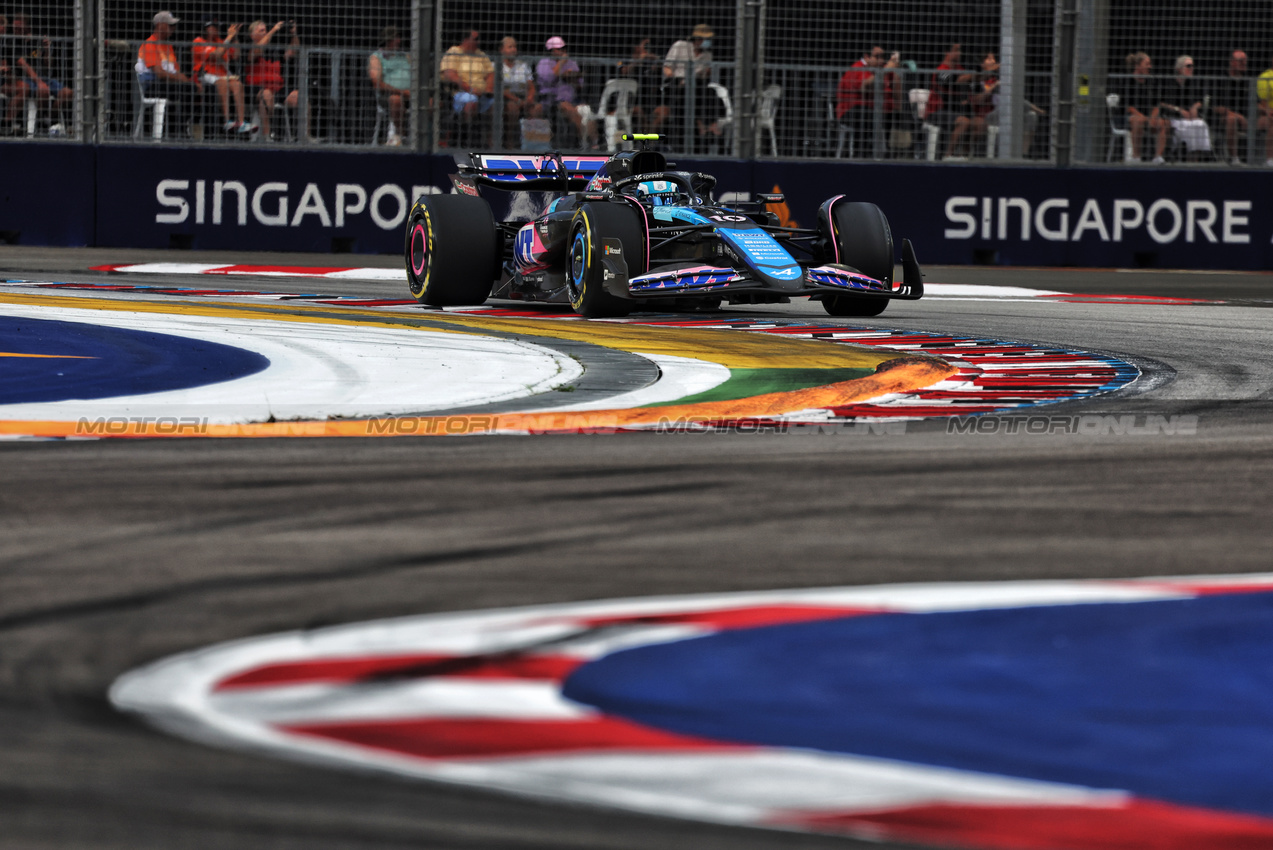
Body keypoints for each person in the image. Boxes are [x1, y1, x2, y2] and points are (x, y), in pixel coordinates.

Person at [136, 11, 202, 139]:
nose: (173, 28)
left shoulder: (168, 46)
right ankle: (179, 129)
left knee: (198, 89)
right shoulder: (150, 44)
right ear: (160, 25)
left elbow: (175, 72)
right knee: (189, 89)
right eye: (170, 25)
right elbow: (159, 73)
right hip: (152, 85)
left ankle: (185, 128)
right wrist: (184, 80)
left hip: (167, 84)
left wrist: (186, 80)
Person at [663, 23, 724, 151]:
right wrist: (676, 79)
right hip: (676, 83)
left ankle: (710, 124)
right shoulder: (680, 46)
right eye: (703, 39)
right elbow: (667, 67)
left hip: (696, 85)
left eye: (707, 40)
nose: (705, 42)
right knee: (687, 92)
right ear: (696, 38)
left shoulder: (707, 55)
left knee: (711, 93)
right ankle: (700, 124)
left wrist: (706, 72)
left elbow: (702, 76)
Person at [10, 12, 73, 135]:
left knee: (68, 93)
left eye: (19, 26)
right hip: (24, 79)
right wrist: (39, 82)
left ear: (27, 26)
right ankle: (39, 123)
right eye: (14, 26)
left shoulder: (37, 41)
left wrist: (47, 51)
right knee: (42, 91)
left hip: (44, 78)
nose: (15, 29)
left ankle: (48, 118)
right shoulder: (12, 42)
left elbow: (48, 66)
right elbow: (24, 66)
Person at [244, 19, 300, 141]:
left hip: (277, 88)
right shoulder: (249, 47)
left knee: (299, 97)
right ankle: (267, 135)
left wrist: (293, 34)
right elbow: (257, 51)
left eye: (266, 30)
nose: (265, 32)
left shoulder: (273, 48)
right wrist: (273, 30)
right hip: (256, 89)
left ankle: (302, 136)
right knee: (267, 95)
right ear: (252, 35)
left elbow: (293, 52)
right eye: (261, 30)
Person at [193, 17, 249, 135]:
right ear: (206, 28)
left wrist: (235, 37)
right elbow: (217, 55)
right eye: (214, 26)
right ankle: (227, 120)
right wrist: (229, 37)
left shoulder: (220, 41)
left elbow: (236, 55)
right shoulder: (199, 41)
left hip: (223, 75)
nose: (217, 29)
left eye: (218, 26)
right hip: (206, 75)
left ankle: (241, 122)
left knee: (237, 85)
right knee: (222, 82)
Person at [440, 28, 494, 147]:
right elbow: (450, 75)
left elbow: (491, 74)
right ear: (465, 40)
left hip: (482, 93)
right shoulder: (454, 51)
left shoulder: (481, 54)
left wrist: (488, 88)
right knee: (471, 102)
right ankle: (469, 139)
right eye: (475, 39)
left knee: (496, 104)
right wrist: (470, 89)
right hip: (461, 92)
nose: (478, 42)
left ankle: (492, 143)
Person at [925, 43, 976, 158]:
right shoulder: (941, 70)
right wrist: (972, 76)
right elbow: (954, 81)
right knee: (964, 122)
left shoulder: (961, 70)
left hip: (957, 112)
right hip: (936, 112)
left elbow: (970, 88)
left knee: (978, 124)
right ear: (947, 52)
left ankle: (963, 156)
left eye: (960, 50)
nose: (959, 53)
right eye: (956, 50)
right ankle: (948, 156)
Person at [1117, 51, 1168, 163]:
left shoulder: (1151, 82)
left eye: (1150, 64)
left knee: (1162, 123)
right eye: (1147, 64)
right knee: (1138, 121)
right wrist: (1145, 118)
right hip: (1130, 117)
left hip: (1147, 117)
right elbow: (1128, 107)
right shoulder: (1127, 81)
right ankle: (1136, 157)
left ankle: (1158, 157)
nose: (1150, 66)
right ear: (1137, 65)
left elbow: (1156, 105)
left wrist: (1153, 118)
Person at [536, 36, 585, 147]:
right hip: (551, 101)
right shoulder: (543, 63)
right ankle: (584, 141)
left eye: (563, 48)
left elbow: (580, 85)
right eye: (558, 49)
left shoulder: (572, 63)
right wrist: (561, 63)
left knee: (587, 111)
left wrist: (572, 78)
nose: (562, 51)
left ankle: (594, 143)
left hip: (572, 100)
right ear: (551, 51)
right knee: (568, 109)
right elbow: (549, 79)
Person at [1159, 55, 1210, 159]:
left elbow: (1201, 100)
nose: (1191, 68)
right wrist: (1179, 110)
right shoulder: (1168, 83)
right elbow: (1161, 103)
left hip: (1190, 118)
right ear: (1179, 69)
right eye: (1188, 66)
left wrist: (1195, 106)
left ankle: (1194, 160)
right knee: (1188, 127)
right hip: (1173, 118)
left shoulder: (1193, 83)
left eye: (1192, 66)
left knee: (1200, 124)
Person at [369, 26, 412, 146]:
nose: (399, 41)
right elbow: (377, 82)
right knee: (396, 100)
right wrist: (402, 92)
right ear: (388, 40)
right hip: (388, 95)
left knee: (431, 102)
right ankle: (400, 135)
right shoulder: (377, 57)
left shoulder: (405, 56)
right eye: (396, 38)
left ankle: (427, 138)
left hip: (411, 94)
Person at [619, 37, 668, 135]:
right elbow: (624, 71)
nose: (647, 48)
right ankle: (643, 142)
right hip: (633, 102)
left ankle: (650, 142)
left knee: (664, 112)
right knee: (640, 114)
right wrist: (639, 60)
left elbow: (665, 71)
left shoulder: (651, 59)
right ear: (636, 47)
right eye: (644, 45)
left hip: (652, 102)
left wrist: (655, 61)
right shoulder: (629, 59)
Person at [1211, 50, 1251, 164]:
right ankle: (1234, 158)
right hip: (1224, 119)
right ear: (1232, 62)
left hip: (1248, 119)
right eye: (1241, 61)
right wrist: (1237, 116)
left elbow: (1255, 104)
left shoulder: (1248, 81)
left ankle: (1268, 160)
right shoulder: (1221, 80)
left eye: (1245, 61)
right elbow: (1215, 107)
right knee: (1231, 120)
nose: (1244, 64)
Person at [497, 36, 538, 148]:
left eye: (515, 47)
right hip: (507, 98)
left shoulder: (523, 65)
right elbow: (500, 89)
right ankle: (510, 142)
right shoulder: (497, 65)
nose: (513, 49)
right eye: (510, 47)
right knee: (512, 108)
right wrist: (517, 100)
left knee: (536, 109)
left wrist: (529, 98)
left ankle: (532, 144)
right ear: (502, 50)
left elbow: (531, 86)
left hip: (523, 96)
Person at [0, 14, 27, 135]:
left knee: (24, 88)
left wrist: (8, 72)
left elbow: (4, 65)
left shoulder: (5, 44)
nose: (1, 27)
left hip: (3, 83)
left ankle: (6, 123)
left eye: (2, 24)